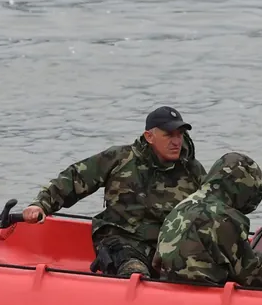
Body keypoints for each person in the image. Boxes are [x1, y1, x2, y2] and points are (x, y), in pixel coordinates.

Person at [22, 106, 207, 278]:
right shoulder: (120, 158)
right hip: (123, 241)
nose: (176, 142)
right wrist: (41, 205)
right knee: (134, 271)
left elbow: (214, 206)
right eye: (169, 135)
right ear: (149, 136)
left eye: (180, 135)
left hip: (168, 247)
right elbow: (75, 177)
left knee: (201, 273)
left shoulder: (192, 170)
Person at [154, 152, 262, 292]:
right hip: (207, 292)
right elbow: (253, 276)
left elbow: (156, 262)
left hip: (170, 286)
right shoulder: (225, 217)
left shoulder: (183, 205)